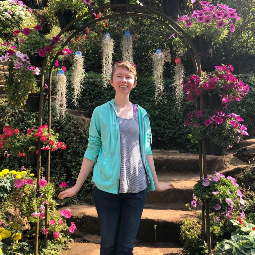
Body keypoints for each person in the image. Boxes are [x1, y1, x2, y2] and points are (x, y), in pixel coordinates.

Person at [58, 61, 174, 255]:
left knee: (126, 247)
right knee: (108, 246)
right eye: (119, 76)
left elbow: (147, 151)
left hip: (137, 189)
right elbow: (92, 150)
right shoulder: (100, 113)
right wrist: (77, 186)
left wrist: (156, 183)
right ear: (111, 81)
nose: (124, 80)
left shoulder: (142, 114)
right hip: (106, 189)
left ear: (134, 83)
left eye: (128, 77)